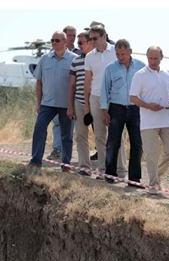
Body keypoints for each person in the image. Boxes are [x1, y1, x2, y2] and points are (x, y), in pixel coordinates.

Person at [130, 46, 169, 194]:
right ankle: (153, 184)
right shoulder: (140, 75)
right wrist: (147, 106)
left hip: (166, 119)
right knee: (152, 153)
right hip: (148, 122)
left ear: (161, 57)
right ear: (147, 57)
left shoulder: (168, 73)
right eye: (150, 58)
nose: (152, 61)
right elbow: (132, 97)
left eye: (155, 58)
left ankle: (156, 176)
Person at [29, 31, 78, 171]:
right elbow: (38, 82)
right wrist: (39, 103)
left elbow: (76, 84)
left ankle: (66, 165)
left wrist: (72, 106)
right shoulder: (44, 59)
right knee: (39, 129)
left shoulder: (74, 59)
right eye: (52, 40)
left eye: (57, 40)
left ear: (64, 42)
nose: (54, 43)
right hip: (47, 103)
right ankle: (35, 161)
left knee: (66, 135)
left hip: (66, 104)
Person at [100, 39, 145, 186]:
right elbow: (104, 91)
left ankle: (134, 178)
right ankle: (110, 174)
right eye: (118, 54)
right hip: (116, 109)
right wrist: (104, 111)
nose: (121, 57)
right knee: (113, 143)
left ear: (130, 52)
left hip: (136, 109)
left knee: (137, 144)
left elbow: (146, 88)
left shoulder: (141, 67)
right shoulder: (110, 69)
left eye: (123, 54)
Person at [84, 25, 127, 179]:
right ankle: (103, 169)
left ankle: (121, 169)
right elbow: (87, 81)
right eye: (90, 39)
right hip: (95, 97)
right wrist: (86, 105)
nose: (92, 42)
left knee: (117, 134)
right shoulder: (89, 56)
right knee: (100, 136)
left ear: (104, 36)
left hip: (114, 98)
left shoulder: (116, 51)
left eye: (95, 38)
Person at [67, 30, 94, 176]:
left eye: (81, 42)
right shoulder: (76, 61)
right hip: (79, 102)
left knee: (102, 137)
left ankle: (104, 170)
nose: (78, 46)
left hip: (96, 102)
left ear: (90, 42)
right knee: (81, 136)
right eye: (78, 43)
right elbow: (72, 85)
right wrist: (70, 106)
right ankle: (84, 167)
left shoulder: (98, 59)